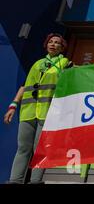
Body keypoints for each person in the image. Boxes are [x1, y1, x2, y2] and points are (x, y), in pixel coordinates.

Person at [4, 33, 72, 184]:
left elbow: (74, 76)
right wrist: (13, 106)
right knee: (23, 148)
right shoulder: (37, 63)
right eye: (51, 42)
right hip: (28, 112)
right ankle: (15, 180)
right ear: (46, 45)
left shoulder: (64, 63)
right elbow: (25, 85)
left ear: (62, 48)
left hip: (47, 113)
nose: (53, 44)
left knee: (40, 150)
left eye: (57, 43)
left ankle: (35, 181)